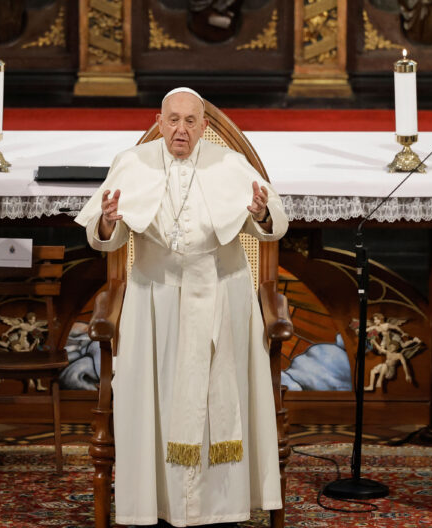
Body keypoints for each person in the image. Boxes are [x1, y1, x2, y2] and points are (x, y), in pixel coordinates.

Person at [75, 87, 287, 527]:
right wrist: (109, 221)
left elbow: (274, 225)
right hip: (155, 301)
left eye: (191, 121)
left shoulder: (230, 164)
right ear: (159, 121)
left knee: (218, 405)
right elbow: (102, 235)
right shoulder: (132, 163)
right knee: (155, 402)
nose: (181, 129)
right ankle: (155, 504)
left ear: (205, 127)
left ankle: (222, 507)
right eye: (173, 119)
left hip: (223, 297)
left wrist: (262, 213)